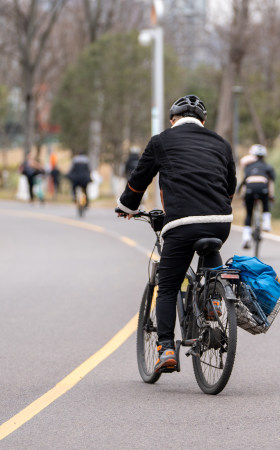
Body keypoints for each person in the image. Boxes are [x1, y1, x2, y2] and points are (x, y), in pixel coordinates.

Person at [116, 94, 236, 373]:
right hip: (221, 221)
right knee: (209, 248)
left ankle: (166, 349)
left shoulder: (161, 141)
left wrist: (126, 206)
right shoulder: (220, 142)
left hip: (182, 223)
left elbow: (139, 180)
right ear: (203, 121)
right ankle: (212, 302)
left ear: (173, 120)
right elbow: (230, 185)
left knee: (167, 285)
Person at [239, 144, 276, 249]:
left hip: (250, 189)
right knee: (265, 202)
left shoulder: (248, 167)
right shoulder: (267, 167)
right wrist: (271, 196)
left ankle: (246, 238)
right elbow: (271, 183)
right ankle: (266, 224)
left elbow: (244, 182)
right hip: (263, 188)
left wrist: (243, 195)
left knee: (249, 213)